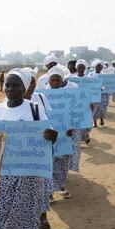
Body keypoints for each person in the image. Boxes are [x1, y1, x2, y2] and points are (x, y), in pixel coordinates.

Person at [0, 68, 57, 229]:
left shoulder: (34, 109)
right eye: (7, 84)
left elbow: (48, 135)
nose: (10, 88)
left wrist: (51, 136)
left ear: (24, 88)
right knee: (0, 212)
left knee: (30, 207)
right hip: (5, 172)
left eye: (15, 84)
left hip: (29, 171)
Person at [46, 66, 79, 201]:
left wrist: (72, 127)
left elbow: (75, 112)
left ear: (62, 81)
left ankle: (61, 187)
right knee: (49, 163)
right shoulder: (42, 96)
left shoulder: (68, 96)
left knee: (63, 162)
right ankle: (48, 192)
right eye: (52, 80)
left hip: (65, 133)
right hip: (48, 135)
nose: (54, 82)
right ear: (48, 81)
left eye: (57, 80)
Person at [88, 60, 104, 127]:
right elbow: (88, 82)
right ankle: (94, 122)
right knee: (94, 108)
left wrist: (102, 89)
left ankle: (101, 119)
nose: (99, 68)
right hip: (93, 94)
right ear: (95, 67)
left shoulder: (103, 75)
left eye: (100, 67)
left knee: (101, 108)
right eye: (97, 66)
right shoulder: (91, 74)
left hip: (102, 93)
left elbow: (106, 84)